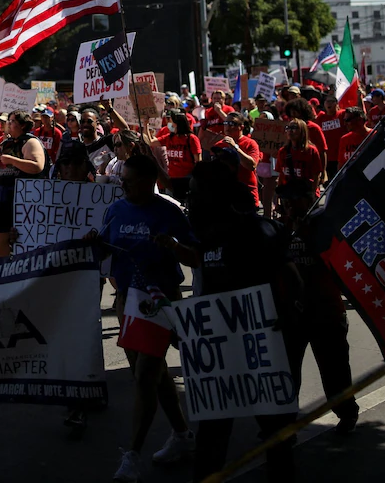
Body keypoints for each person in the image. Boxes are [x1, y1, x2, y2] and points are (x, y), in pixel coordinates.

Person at [187, 155, 300, 483]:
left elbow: (293, 280)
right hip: (221, 351)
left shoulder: (257, 231)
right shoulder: (206, 235)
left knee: (276, 431)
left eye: (194, 194)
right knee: (212, 430)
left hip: (262, 347)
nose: (189, 201)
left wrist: (287, 316)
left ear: (213, 195)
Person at [98, 153, 198, 481]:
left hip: (159, 299)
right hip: (127, 300)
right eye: (121, 179)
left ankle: (132, 456)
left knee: (144, 378)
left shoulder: (168, 212)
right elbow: (104, 250)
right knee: (152, 376)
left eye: (128, 180)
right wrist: (91, 243)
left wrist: (173, 247)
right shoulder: (115, 210)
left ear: (148, 182)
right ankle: (182, 435)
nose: (122, 184)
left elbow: (196, 257)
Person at [276, 179, 359, 434]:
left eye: (294, 198)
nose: (287, 205)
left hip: (326, 312)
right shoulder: (281, 227)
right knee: (287, 372)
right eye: (284, 199)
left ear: (310, 199)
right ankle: (285, 420)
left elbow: (336, 260)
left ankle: (347, 414)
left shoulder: (326, 224)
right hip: (293, 314)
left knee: (334, 371)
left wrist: (306, 234)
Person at [0, 110, 47, 257]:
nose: (8, 123)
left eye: (12, 121)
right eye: (9, 120)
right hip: (2, 200)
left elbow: (37, 166)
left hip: (23, 201)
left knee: (23, 240)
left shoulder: (30, 142)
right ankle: (5, 271)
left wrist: (12, 160)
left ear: (22, 125)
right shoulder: (6, 143)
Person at [154, 111, 201, 204]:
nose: (169, 123)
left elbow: (199, 161)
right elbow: (151, 142)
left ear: (177, 123)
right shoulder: (169, 138)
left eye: (170, 121)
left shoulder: (191, 139)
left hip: (187, 180)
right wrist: (145, 125)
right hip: (172, 180)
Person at [276, 119, 325, 199]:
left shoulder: (311, 151)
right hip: (289, 194)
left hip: (306, 194)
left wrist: (312, 194)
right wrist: (279, 198)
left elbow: (316, 175)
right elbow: (281, 176)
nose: (290, 130)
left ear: (302, 131)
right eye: (288, 127)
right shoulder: (283, 151)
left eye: (294, 127)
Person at [222, 113, 263, 209]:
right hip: (226, 195)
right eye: (225, 123)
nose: (227, 126)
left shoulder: (250, 143)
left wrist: (235, 147)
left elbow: (252, 165)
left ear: (241, 127)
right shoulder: (219, 144)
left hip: (246, 194)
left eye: (232, 123)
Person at [317, 93, 344, 179]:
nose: (329, 104)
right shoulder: (321, 117)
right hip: (327, 157)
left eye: (331, 101)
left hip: (340, 156)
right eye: (327, 101)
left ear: (336, 104)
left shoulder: (342, 114)